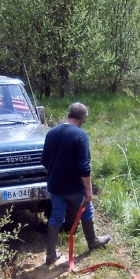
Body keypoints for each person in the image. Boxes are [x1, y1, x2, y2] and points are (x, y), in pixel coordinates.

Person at [40, 102, 110, 265]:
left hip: (55, 185)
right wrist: (89, 189)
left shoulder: (51, 132)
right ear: (83, 119)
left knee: (57, 215)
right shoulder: (81, 135)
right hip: (74, 187)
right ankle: (92, 241)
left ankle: (50, 255)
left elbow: (44, 160)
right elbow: (84, 168)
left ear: (69, 114)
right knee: (86, 210)